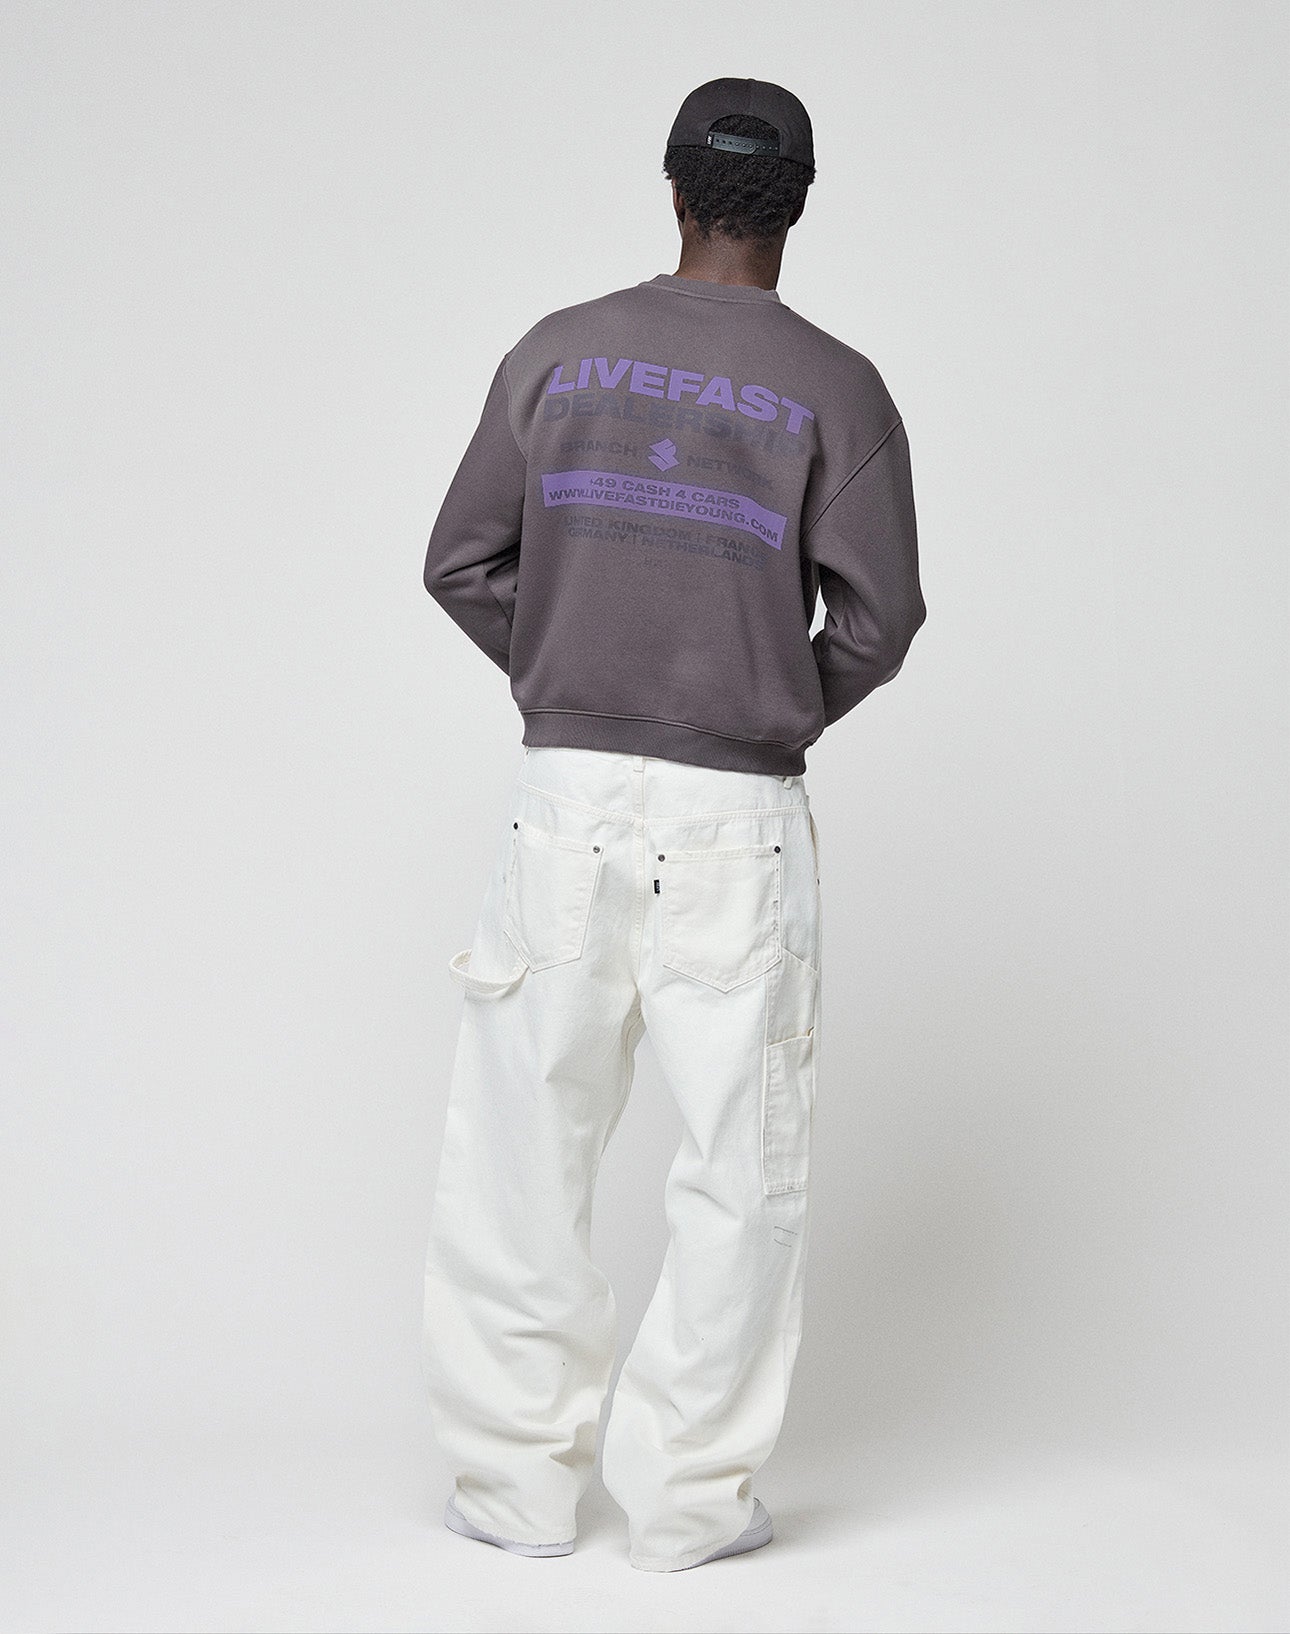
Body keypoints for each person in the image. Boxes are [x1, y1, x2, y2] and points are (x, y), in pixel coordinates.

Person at [420, 76, 926, 1574]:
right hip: (735, 818)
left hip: (563, 800)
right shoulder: (840, 388)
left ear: (672, 186)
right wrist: (764, 700)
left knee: (523, 1146)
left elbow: (459, 561)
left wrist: (571, 663)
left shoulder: (557, 351)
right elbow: (882, 618)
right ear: (800, 204)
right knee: (736, 1164)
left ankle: (511, 1494)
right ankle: (690, 1509)